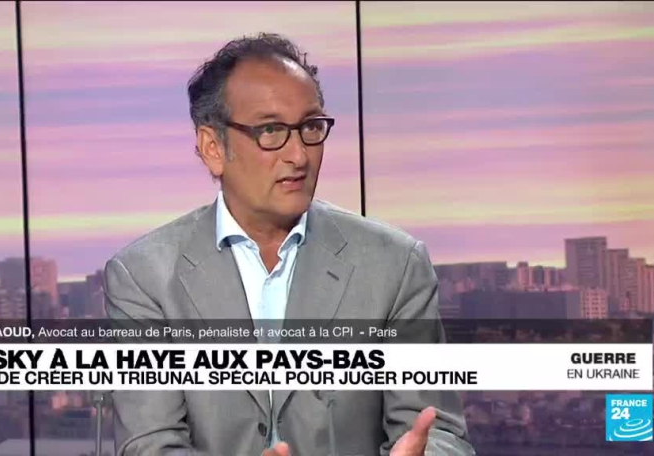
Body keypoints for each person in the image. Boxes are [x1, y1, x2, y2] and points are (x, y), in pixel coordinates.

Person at [104, 33, 475, 456]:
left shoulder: (395, 265)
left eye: (311, 127)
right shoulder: (145, 276)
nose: (299, 156)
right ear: (213, 148)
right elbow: (149, 445)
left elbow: (441, 434)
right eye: (271, 131)